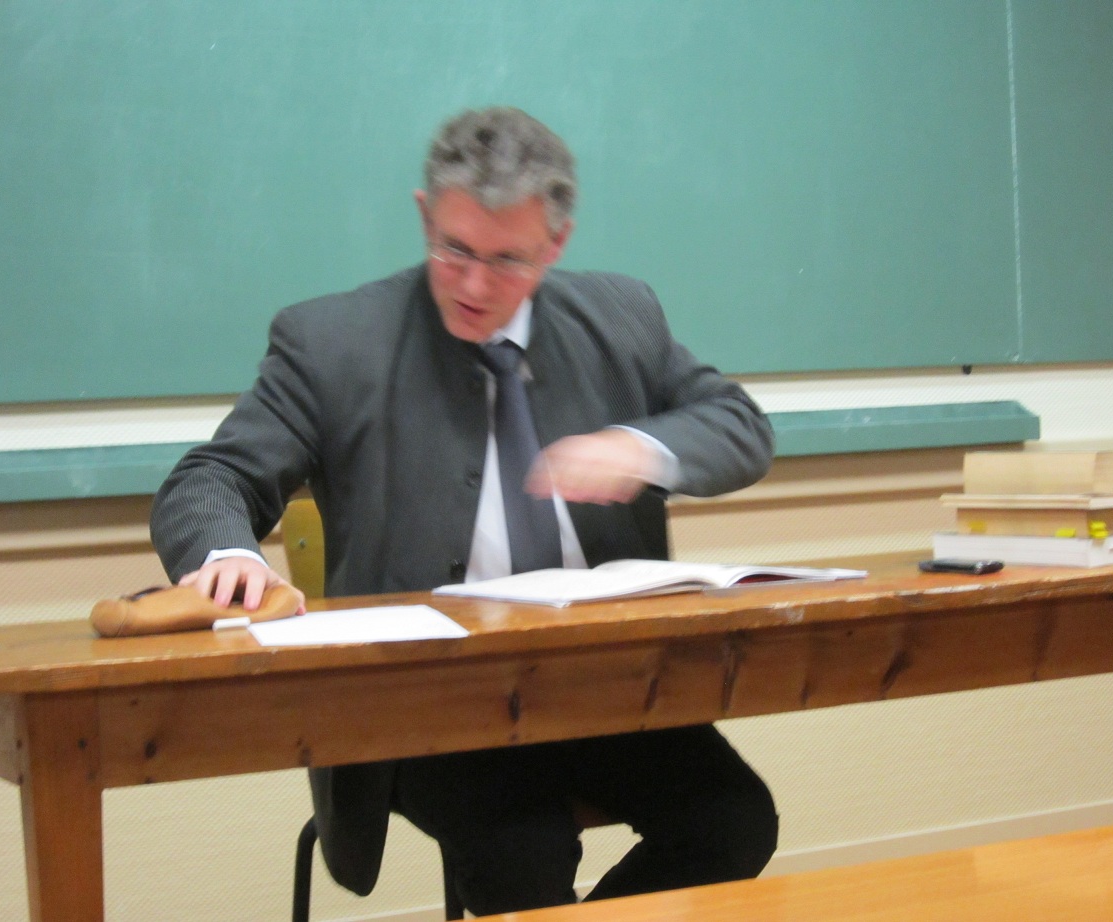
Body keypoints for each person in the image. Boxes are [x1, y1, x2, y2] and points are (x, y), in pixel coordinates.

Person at [151, 106, 778, 914]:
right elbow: (211, 477)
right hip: (426, 701)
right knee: (524, 847)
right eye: (454, 250)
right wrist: (227, 554)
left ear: (555, 243)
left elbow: (738, 426)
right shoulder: (334, 341)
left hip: (602, 685)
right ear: (425, 217)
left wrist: (640, 447)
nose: (475, 286)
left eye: (508, 259)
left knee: (732, 820)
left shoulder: (620, 315)